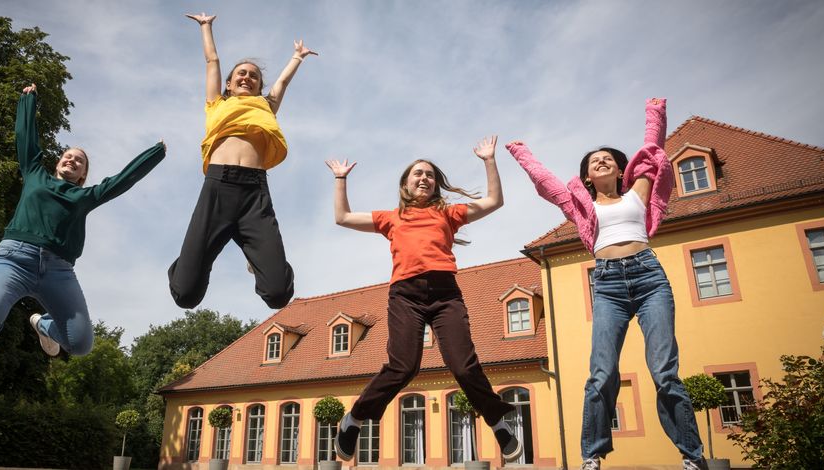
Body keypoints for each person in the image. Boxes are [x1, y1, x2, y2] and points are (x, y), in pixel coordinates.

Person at [507, 99, 707, 470]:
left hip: (649, 280)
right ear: (586, 177)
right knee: (602, 373)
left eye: (608, 159)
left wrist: (655, 113)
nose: (601, 161)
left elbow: (652, 150)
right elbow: (546, 183)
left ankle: (692, 456)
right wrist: (521, 153)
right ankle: (592, 455)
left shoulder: (638, 193)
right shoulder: (580, 206)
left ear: (620, 169)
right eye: (594, 161)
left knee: (664, 372)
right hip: (608, 286)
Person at [324, 135, 523, 462]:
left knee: (463, 365)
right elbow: (342, 217)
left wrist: (489, 160)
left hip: (446, 295)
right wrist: (340, 179)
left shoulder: (448, 213)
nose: (424, 178)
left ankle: (497, 421)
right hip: (406, 295)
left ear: (435, 184)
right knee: (403, 367)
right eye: (418, 173)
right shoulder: (391, 218)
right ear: (405, 183)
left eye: (430, 175)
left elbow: (493, 201)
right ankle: (354, 418)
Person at [0, 84, 167, 374]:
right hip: (14, 259)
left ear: (82, 175)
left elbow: (121, 181)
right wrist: (27, 100)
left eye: (80, 160)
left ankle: (43, 325)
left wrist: (155, 153)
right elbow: (26, 139)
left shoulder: (85, 196)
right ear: (58, 163)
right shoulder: (35, 174)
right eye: (68, 155)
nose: (72, 159)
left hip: (58, 271)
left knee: (80, 344)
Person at [167, 10, 317, 309]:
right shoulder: (216, 104)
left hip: (254, 193)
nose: (247, 77)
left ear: (259, 86)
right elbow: (212, 61)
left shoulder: (265, 106)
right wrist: (206, 27)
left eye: (254, 76)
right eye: (241, 74)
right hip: (217, 188)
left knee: (278, 294)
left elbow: (282, 84)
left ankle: (259, 259)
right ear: (229, 84)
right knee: (186, 295)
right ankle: (191, 258)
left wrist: (297, 58)